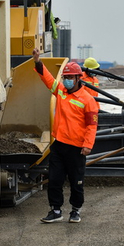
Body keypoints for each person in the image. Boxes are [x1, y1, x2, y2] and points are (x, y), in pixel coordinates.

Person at [32, 48, 99, 223]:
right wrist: (38, 62)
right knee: (54, 180)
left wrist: (88, 145)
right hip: (59, 145)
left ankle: (76, 210)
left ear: (78, 78)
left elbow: (92, 125)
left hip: (77, 148)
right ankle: (55, 210)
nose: (67, 81)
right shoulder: (60, 91)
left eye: (70, 78)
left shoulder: (88, 100)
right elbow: (48, 80)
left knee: (76, 182)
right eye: (65, 78)